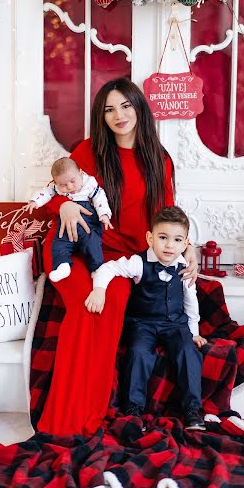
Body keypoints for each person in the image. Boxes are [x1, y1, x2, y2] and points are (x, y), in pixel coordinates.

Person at [37, 77, 198, 436]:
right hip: (77, 248)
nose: (118, 115)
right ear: (101, 116)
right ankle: (63, 419)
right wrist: (63, 204)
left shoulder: (159, 159)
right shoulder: (87, 152)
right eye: (109, 109)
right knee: (83, 308)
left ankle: (89, 415)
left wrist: (190, 246)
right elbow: (51, 193)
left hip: (121, 261)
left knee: (109, 305)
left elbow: (168, 213)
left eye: (125, 105)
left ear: (139, 107)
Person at [86, 205, 207, 431]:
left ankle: (192, 409)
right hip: (144, 323)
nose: (170, 245)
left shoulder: (183, 267)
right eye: (163, 237)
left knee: (188, 352)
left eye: (177, 240)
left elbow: (191, 301)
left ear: (185, 243)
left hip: (175, 323)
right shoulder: (138, 263)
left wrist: (195, 332)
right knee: (138, 353)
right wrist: (100, 289)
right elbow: (109, 268)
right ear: (150, 238)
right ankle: (133, 409)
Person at [27, 157, 113, 282]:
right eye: (62, 185)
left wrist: (104, 214)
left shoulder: (89, 183)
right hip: (65, 225)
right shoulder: (56, 187)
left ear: (80, 172)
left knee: (92, 244)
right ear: (56, 183)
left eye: (73, 181)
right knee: (58, 244)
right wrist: (35, 201)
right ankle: (62, 265)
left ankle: (97, 269)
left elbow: (100, 197)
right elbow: (46, 192)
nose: (69, 187)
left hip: (87, 222)